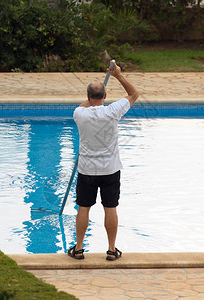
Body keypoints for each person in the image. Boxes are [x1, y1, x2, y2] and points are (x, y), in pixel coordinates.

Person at [68, 63, 139, 260]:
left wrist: (90, 100)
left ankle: (79, 248)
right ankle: (111, 249)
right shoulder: (113, 111)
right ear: (105, 97)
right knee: (110, 208)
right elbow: (134, 94)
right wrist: (118, 76)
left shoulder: (79, 114)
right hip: (110, 170)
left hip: (87, 170)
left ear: (88, 97)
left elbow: (84, 105)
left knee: (83, 207)